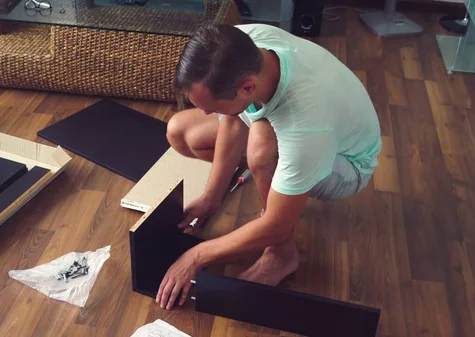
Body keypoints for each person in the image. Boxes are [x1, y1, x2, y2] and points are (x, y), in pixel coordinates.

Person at [156, 23, 382, 310]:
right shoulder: (240, 43)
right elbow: (234, 119)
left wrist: (196, 256)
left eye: (212, 106)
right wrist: (212, 196)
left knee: (261, 146)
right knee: (180, 131)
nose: (206, 113)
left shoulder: (305, 125)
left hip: (348, 164)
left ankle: (281, 256)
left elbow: (277, 226)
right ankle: (273, 179)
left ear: (247, 87)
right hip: (306, 135)